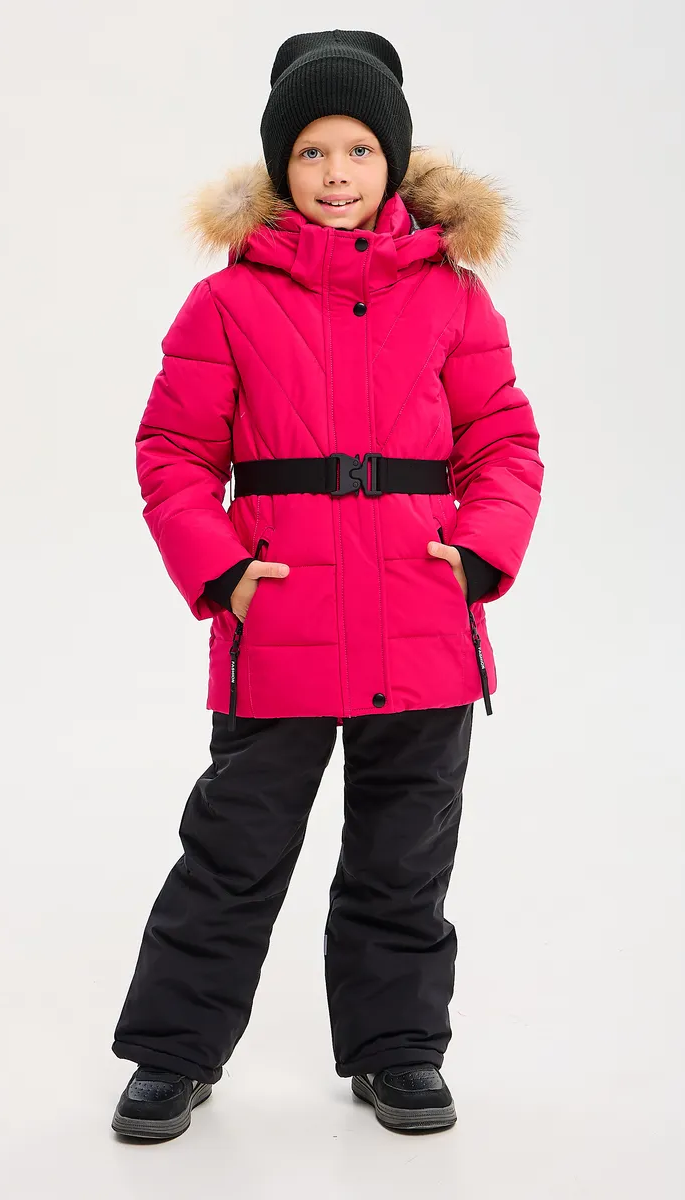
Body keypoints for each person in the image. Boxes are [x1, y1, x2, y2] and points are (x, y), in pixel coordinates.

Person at [111, 28, 544, 1141]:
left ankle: (398, 1051)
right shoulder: (226, 303)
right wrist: (222, 572)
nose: (336, 174)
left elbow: (504, 440)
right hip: (282, 617)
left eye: (359, 150)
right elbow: (172, 452)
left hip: (422, 617)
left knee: (404, 858)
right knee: (234, 850)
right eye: (311, 152)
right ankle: (172, 1053)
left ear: (393, 162)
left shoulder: (454, 299)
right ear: (280, 165)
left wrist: (480, 551)